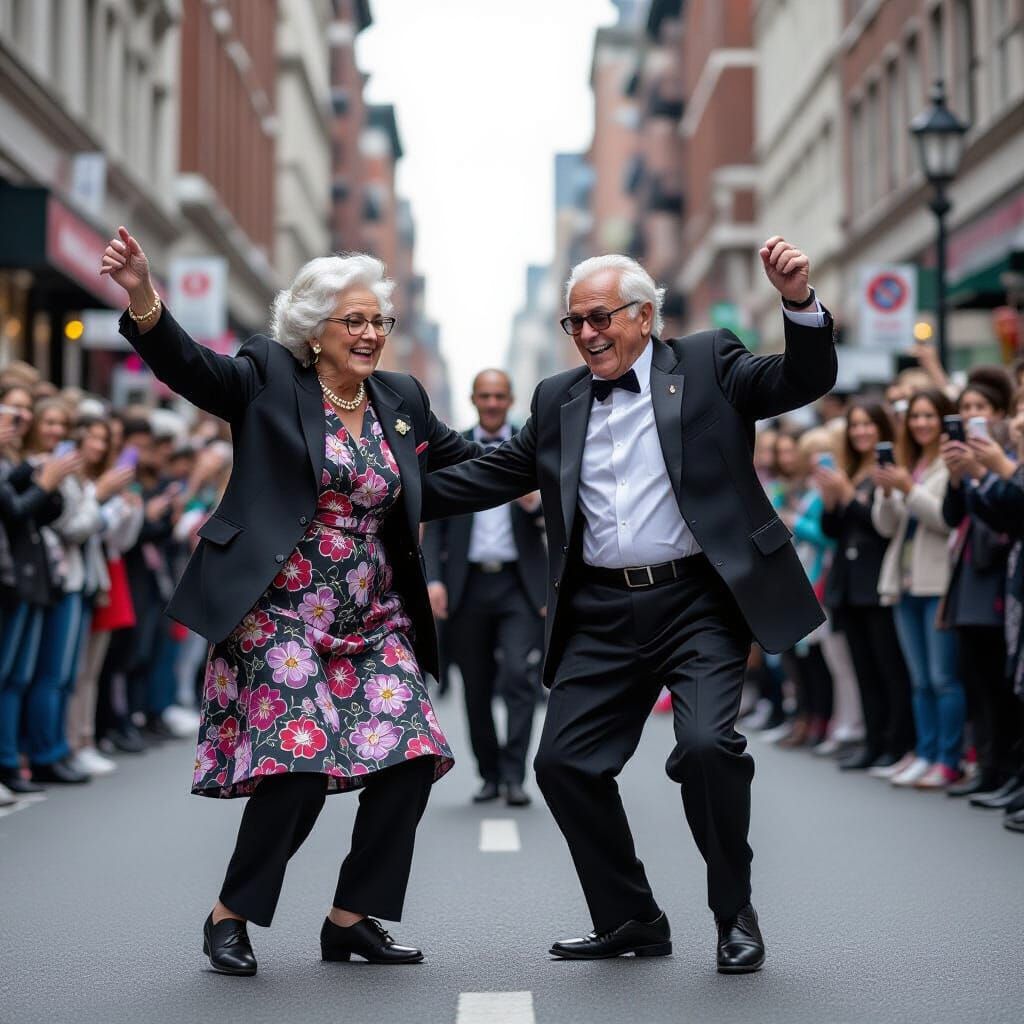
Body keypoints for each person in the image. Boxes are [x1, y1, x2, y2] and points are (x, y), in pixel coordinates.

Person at [422, 238, 836, 972]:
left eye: (600, 317)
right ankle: (631, 917)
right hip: (602, 612)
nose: (586, 333)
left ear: (644, 316)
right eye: (574, 322)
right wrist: (380, 490)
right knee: (563, 765)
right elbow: (492, 474)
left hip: (698, 601)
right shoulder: (557, 398)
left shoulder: (709, 362)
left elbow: (800, 379)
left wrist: (798, 304)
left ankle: (733, 912)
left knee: (708, 749)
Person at [100, 226, 478, 976]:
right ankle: (230, 915)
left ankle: (350, 920)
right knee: (300, 767)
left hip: (372, 621)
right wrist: (145, 297)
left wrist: (558, 456)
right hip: (277, 613)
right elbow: (192, 370)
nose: (372, 334)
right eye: (356, 321)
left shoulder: (400, 398)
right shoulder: (270, 372)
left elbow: (469, 463)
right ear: (315, 329)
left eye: (380, 321)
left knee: (414, 758)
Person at [422, 369, 546, 807]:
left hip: (520, 584)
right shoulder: (450, 447)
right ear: (474, 400)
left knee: (518, 676)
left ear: (511, 399)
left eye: (500, 395)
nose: (492, 403)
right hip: (466, 585)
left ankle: (515, 775)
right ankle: (490, 774)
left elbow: (561, 511)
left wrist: (535, 502)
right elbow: (432, 518)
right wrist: (433, 580)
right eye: (485, 396)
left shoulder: (530, 447)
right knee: (475, 684)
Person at [873, 388, 965, 790]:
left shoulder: (951, 463)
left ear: (943, 419)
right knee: (919, 679)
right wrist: (891, 492)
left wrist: (908, 490)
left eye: (930, 416)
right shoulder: (906, 462)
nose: (921, 423)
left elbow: (947, 519)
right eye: (915, 417)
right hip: (903, 583)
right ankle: (925, 753)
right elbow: (886, 526)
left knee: (943, 677)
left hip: (938, 582)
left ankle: (949, 759)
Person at [818, 400, 914, 772]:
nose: (861, 432)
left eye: (868, 425)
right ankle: (873, 742)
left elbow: (881, 527)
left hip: (878, 583)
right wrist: (831, 504)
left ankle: (896, 742)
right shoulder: (853, 471)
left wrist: (846, 497)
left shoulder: (889, 471)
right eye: (855, 426)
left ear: (884, 428)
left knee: (889, 668)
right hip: (848, 585)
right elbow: (834, 532)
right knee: (863, 670)